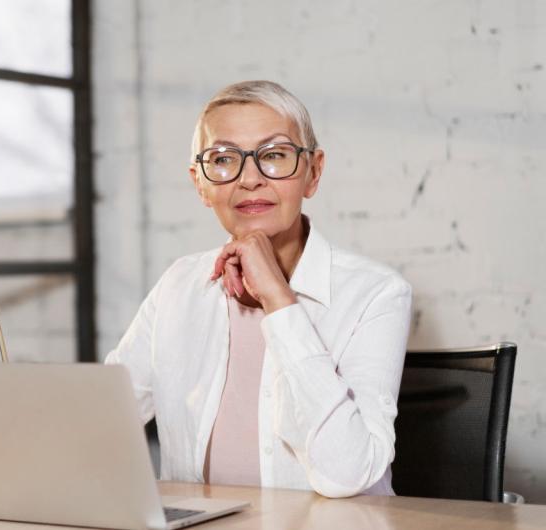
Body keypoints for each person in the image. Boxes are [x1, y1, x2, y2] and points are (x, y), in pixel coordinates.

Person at [104, 80, 412, 498]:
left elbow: (348, 476)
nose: (249, 179)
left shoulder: (377, 294)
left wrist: (280, 301)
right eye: (224, 159)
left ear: (313, 173)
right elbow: (102, 423)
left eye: (273, 155)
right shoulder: (180, 283)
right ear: (201, 184)